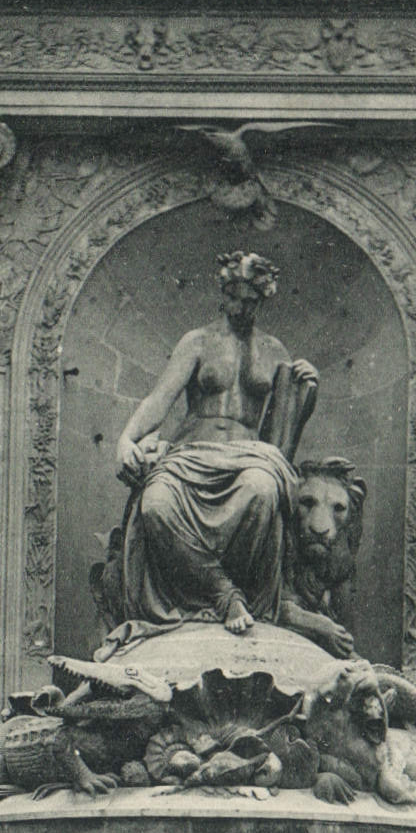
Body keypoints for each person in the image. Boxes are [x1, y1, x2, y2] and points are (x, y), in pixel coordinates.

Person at [115, 252, 318, 635]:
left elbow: (283, 431)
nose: (242, 308)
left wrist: (307, 391)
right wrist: (126, 438)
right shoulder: (198, 342)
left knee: (262, 490)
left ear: (262, 300)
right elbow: (160, 399)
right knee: (155, 505)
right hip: (192, 454)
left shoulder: (275, 351)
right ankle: (224, 592)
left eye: (251, 301)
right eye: (236, 298)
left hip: (251, 455)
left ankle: (230, 594)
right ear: (224, 295)